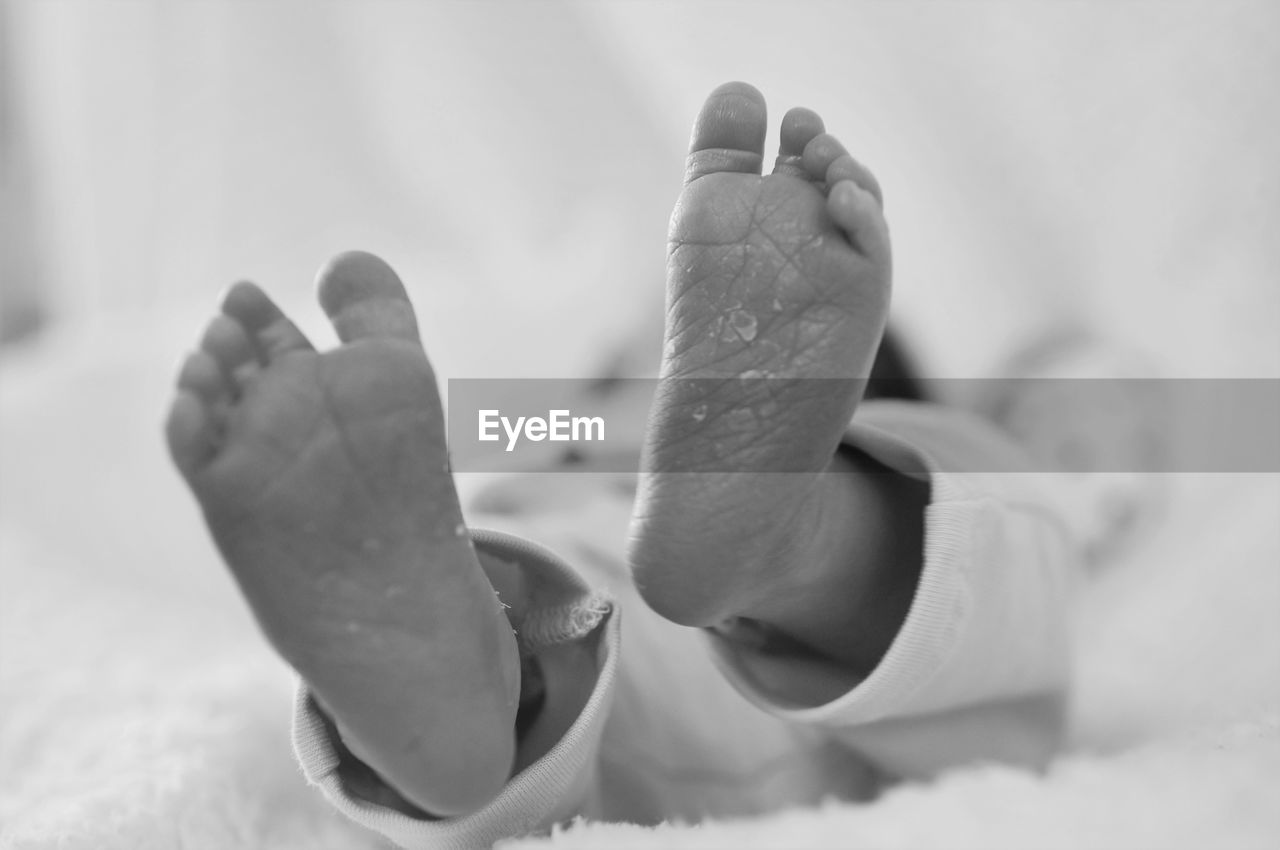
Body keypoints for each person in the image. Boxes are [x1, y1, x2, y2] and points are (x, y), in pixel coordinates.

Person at [165, 82, 1073, 848]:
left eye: (690, 351)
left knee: (517, 591)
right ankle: (784, 545)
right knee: (983, 535)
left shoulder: (559, 439)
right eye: (672, 352)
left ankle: (493, 686)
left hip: (601, 649)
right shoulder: (570, 438)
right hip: (723, 672)